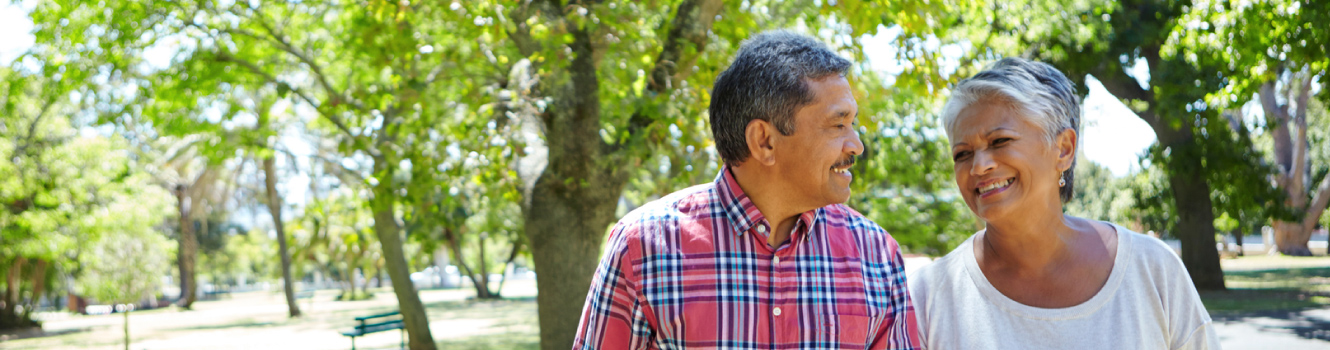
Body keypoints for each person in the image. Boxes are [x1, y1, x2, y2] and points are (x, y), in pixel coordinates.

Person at [571, 30, 919, 350]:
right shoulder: (642, 248)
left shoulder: (876, 255)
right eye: (838, 124)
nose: (856, 144)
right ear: (764, 141)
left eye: (853, 124)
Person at [908, 57, 1219, 349]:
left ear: (1064, 149)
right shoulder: (927, 297)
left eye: (999, 141)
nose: (978, 166)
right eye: (962, 153)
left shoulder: (1152, 270)